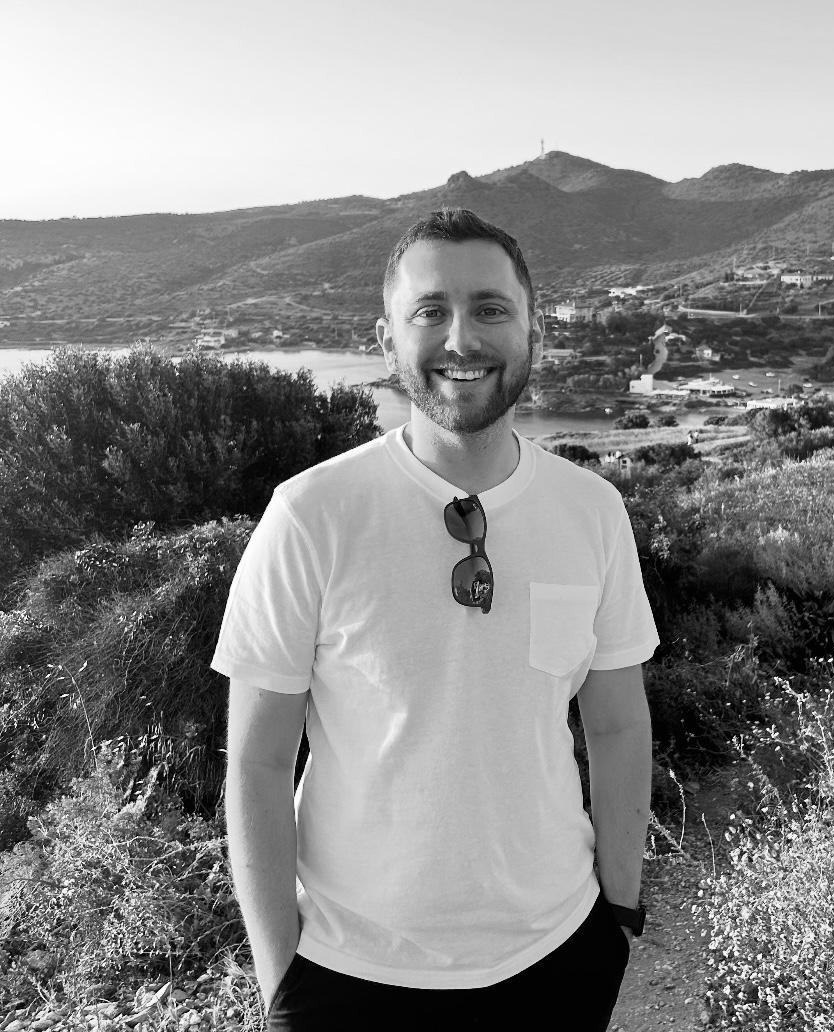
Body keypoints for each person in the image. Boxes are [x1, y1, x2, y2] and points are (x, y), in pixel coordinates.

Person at [213, 208, 659, 1031]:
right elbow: (258, 760)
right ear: (388, 339)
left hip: (558, 957)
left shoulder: (592, 511)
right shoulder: (312, 515)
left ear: (532, 331)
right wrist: (282, 984)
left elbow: (619, 725)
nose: (462, 338)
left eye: (490, 308)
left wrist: (618, 917)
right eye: (430, 310)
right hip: (349, 974)